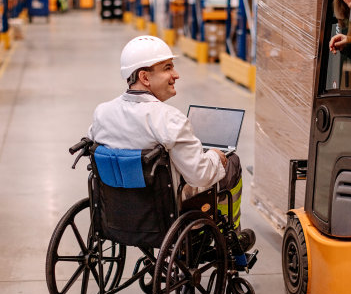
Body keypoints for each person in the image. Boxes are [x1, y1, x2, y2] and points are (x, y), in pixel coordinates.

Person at [87, 35, 255, 251]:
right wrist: (215, 156)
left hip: (118, 211)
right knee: (232, 163)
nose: (176, 75)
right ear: (145, 77)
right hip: (164, 210)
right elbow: (200, 175)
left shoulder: (102, 113)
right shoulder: (168, 119)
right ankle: (230, 239)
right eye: (167, 68)